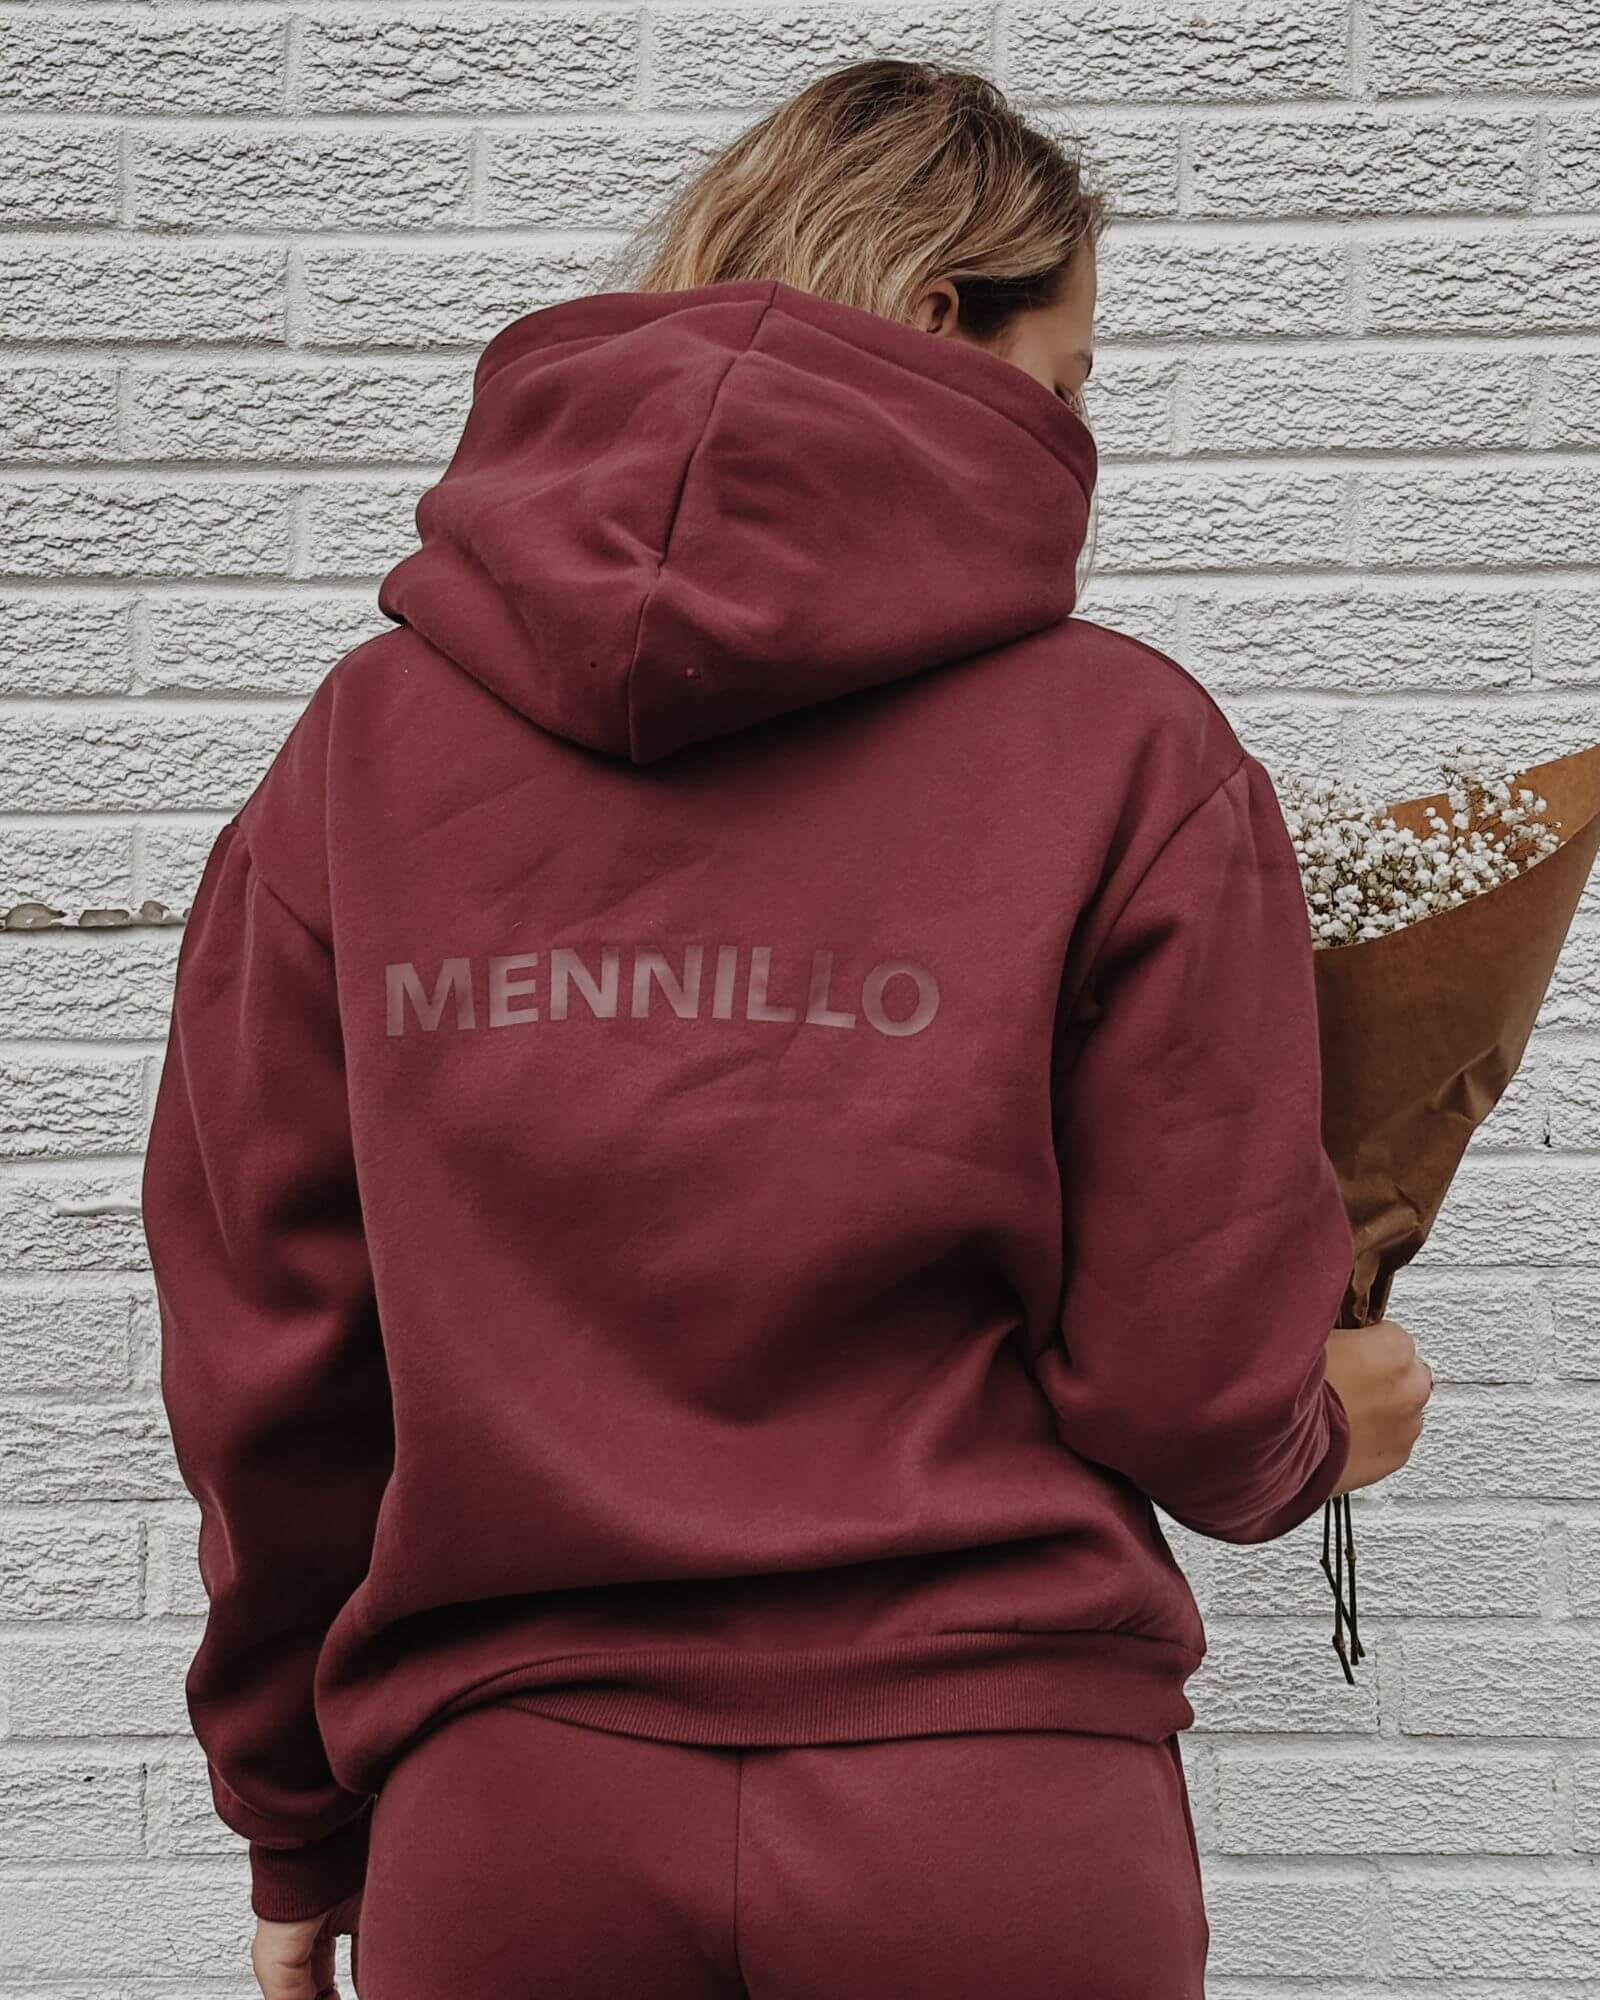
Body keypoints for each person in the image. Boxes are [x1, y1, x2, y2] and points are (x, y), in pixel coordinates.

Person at [142, 57, 1434, 2000]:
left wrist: (293, 1814)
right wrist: (1317, 1428)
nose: (1069, 441)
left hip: (516, 1820)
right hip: (990, 1821)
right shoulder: (1123, 747)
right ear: (941, 319)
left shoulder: (363, 752)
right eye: (1065, 382)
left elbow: (272, 1354)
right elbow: (1176, 1376)